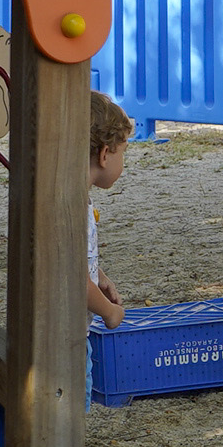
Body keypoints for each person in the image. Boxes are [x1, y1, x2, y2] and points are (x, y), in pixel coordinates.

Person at [86, 92, 131, 328]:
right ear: (105, 154)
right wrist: (110, 312)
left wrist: (97, 276)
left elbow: (73, 262)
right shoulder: (72, 212)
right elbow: (73, 279)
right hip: (64, 343)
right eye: (122, 152)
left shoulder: (71, 200)